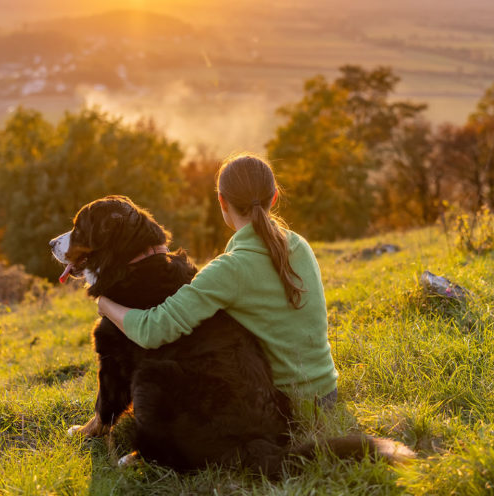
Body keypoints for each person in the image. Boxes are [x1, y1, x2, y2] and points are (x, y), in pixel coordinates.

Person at [97, 153, 338, 408]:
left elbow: (153, 330)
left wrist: (106, 304)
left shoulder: (229, 269)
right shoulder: (299, 244)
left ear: (222, 202)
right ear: (274, 197)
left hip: (288, 403)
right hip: (327, 393)